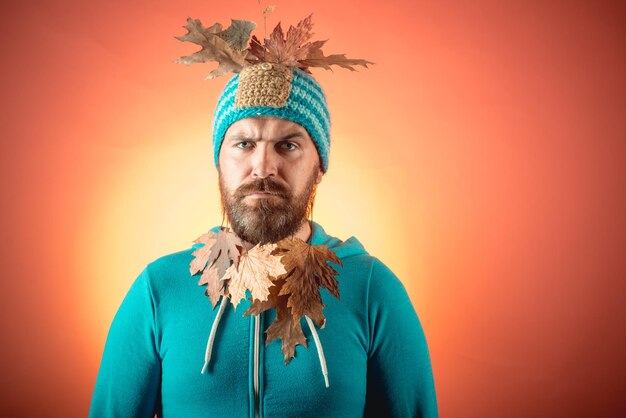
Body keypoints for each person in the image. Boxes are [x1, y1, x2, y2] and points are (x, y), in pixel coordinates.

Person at [90, 15, 437, 418]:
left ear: (319, 166)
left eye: (288, 145)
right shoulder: (159, 291)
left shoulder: (372, 290)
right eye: (243, 143)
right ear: (219, 160)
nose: (263, 166)